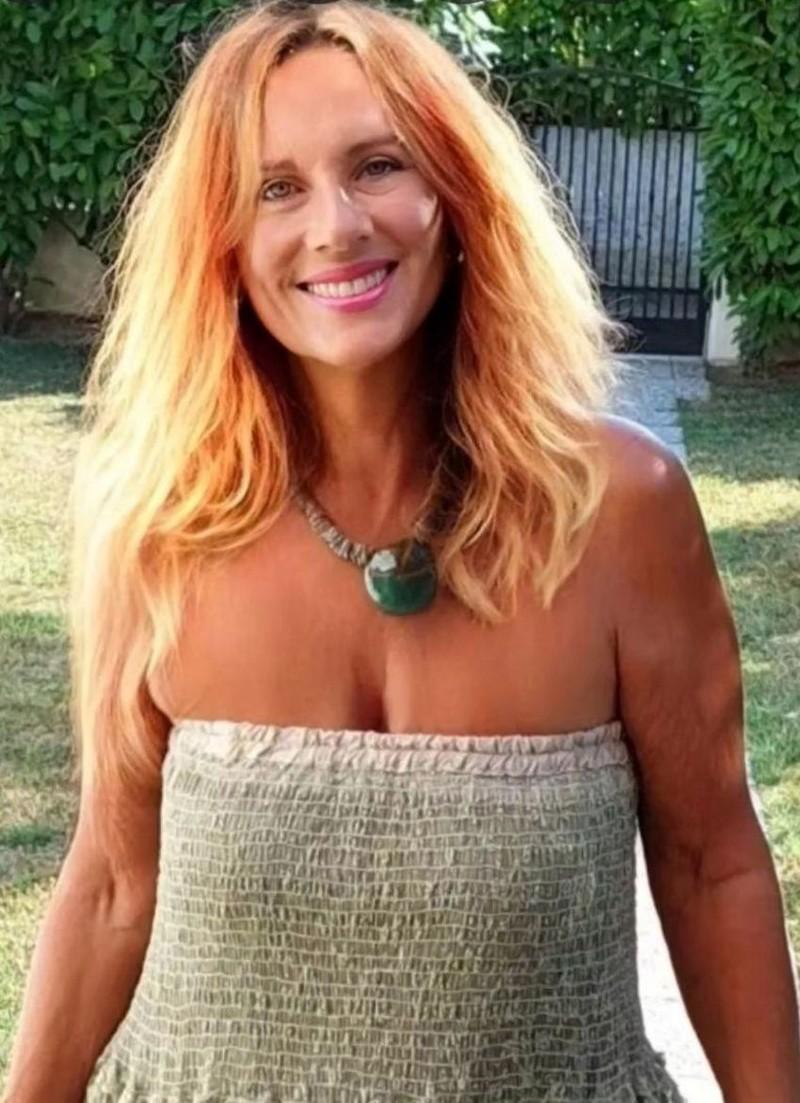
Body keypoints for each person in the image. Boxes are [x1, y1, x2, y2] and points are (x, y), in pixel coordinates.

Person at [4, 1, 799, 1100]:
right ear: (221, 243)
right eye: (275, 188)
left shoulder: (618, 510)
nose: (334, 226)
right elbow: (108, 884)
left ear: (457, 199)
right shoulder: (160, 524)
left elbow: (711, 865)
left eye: (378, 165)